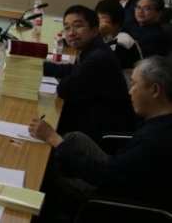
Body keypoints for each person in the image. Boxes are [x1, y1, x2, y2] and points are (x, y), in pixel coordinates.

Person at [29, 56, 172, 219]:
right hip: (120, 170)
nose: (129, 91)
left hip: (112, 197)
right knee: (74, 138)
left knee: (44, 180)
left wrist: (53, 138)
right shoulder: (160, 121)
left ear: (155, 90)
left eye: (133, 84)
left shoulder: (157, 142)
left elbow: (99, 174)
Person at [43, 5, 136, 142]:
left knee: (47, 118)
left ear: (94, 30)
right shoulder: (94, 49)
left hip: (104, 127)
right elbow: (72, 70)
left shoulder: (98, 57)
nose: (71, 33)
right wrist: (38, 65)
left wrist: (66, 78)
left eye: (77, 26)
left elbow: (64, 89)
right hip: (94, 115)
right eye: (67, 28)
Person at [94, 0, 141, 69]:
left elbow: (107, 64)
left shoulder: (124, 39)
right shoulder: (105, 37)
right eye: (98, 19)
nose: (99, 23)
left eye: (103, 18)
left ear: (116, 22)